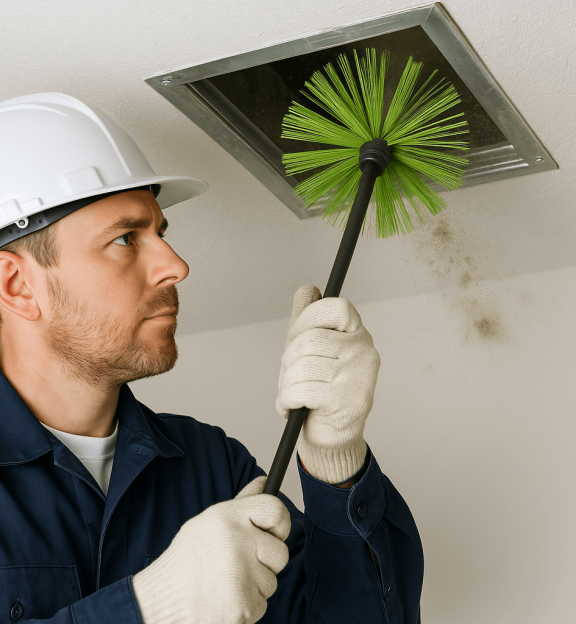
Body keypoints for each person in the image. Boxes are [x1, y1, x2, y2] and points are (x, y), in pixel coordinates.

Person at [0, 92, 423, 624]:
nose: (176, 266)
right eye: (127, 238)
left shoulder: (211, 467)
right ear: (16, 285)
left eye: (162, 233)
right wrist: (152, 608)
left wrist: (337, 459)